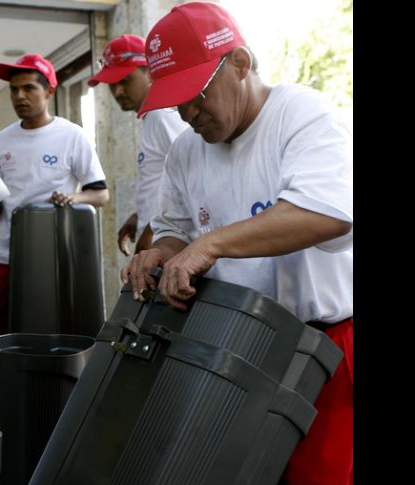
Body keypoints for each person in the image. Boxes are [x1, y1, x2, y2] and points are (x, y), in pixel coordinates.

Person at [120, 3, 352, 485]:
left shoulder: (299, 114)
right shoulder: (186, 151)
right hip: (235, 344)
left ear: (241, 64)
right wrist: (162, 253)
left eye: (196, 95)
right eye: (175, 102)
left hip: (320, 348)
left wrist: (212, 245)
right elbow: (175, 229)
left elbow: (326, 211)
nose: (188, 114)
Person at [0, 54, 109, 335]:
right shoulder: (0, 141)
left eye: (29, 88)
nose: (19, 96)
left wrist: (74, 198)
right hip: (4, 255)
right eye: (14, 89)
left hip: (51, 254)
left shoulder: (72, 136)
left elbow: (100, 195)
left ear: (49, 91)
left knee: (44, 329)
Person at [89, 34, 188, 256]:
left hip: (170, 244)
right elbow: (163, 181)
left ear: (149, 72)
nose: (118, 92)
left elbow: (194, 179)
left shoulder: (164, 114)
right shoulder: (152, 117)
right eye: (112, 84)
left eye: (125, 80)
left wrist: (152, 229)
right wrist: (140, 216)